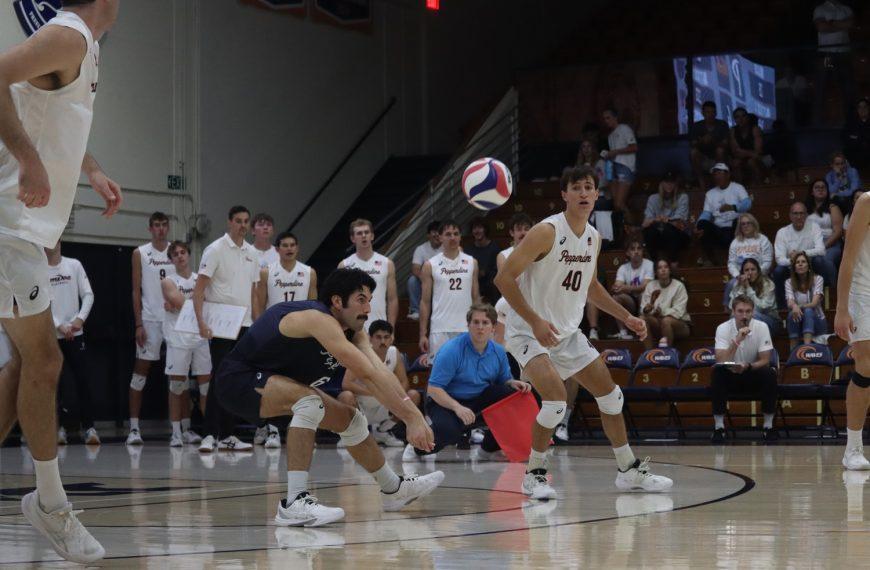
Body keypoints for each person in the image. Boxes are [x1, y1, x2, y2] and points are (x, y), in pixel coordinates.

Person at [0, 0, 122, 563]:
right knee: (44, 361)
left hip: (23, 227)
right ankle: (50, 503)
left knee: (28, 363)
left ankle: (48, 501)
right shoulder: (69, 34)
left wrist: (90, 168)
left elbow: (44, 111)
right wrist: (28, 160)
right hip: (8, 222)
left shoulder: (84, 47)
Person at [214, 268, 444, 525]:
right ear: (337, 301)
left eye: (370, 300)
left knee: (352, 420)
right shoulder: (318, 319)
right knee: (309, 402)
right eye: (361, 299)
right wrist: (412, 418)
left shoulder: (355, 333)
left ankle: (393, 489)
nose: (368, 309)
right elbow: (366, 375)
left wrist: (413, 415)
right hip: (237, 380)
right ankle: (294, 503)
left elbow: (380, 372)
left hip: (280, 385)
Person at [495, 165, 672, 499]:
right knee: (555, 402)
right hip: (528, 332)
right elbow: (503, 279)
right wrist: (534, 321)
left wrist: (626, 317)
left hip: (566, 333)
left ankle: (628, 470)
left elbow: (590, 287)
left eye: (589, 187)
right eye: (576, 188)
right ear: (564, 194)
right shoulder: (546, 231)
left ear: (596, 194)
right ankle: (534, 475)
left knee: (611, 396)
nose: (583, 193)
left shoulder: (593, 237)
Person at [404, 303, 530, 462]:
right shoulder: (452, 350)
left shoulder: (498, 351)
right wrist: (457, 408)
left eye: (485, 323)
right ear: (468, 326)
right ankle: (416, 447)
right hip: (445, 402)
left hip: (478, 400)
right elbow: (434, 389)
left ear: (493, 327)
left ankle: (488, 449)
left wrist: (513, 383)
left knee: (513, 395)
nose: (480, 327)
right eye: (475, 322)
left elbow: (503, 381)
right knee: (449, 432)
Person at [194, 205, 260, 453]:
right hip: (220, 325)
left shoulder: (253, 253)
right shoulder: (215, 250)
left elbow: (254, 293)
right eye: (239, 221)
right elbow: (199, 290)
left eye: (246, 221)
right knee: (219, 377)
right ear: (230, 222)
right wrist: (201, 322)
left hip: (244, 324)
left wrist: (256, 323)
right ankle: (209, 434)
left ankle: (228, 435)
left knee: (236, 380)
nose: (243, 225)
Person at [127, 211, 174, 446]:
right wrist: (138, 323)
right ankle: (134, 428)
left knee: (178, 373)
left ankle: (181, 429)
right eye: (156, 225)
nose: (161, 229)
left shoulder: (178, 250)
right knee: (140, 371)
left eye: (164, 225)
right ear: (150, 229)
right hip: (150, 319)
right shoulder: (140, 253)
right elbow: (136, 290)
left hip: (174, 319)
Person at [46, 242, 97, 446]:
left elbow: (88, 294)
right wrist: (59, 325)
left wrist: (79, 320)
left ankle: (89, 428)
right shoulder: (40, 271)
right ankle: (57, 429)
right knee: (54, 384)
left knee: (83, 380)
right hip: (52, 336)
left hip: (76, 334)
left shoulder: (74, 265)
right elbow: (42, 302)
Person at [339, 319, 420, 447]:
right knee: (345, 396)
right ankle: (351, 435)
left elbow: (404, 382)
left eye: (386, 337)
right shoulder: (361, 354)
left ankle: (383, 431)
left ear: (391, 339)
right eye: (378, 337)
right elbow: (346, 384)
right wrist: (374, 392)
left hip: (385, 404)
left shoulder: (394, 352)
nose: (383, 341)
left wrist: (393, 397)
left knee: (413, 395)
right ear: (370, 339)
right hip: (362, 403)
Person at [833, 192, 870, 470]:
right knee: (866, 365)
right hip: (863, 291)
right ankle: (853, 448)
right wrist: (841, 309)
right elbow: (847, 257)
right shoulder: (867, 202)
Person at [711, 295, 778, 443]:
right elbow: (721, 360)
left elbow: (765, 360)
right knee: (717, 372)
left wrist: (748, 366)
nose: (744, 315)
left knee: (769, 373)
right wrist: (737, 339)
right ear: (733, 312)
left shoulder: (761, 327)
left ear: (753, 312)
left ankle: (768, 426)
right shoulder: (722, 328)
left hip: (751, 372)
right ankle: (719, 427)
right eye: (740, 311)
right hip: (730, 374)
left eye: (748, 311)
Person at [161, 241, 209, 447]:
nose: (180, 256)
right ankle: (176, 432)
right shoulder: (167, 281)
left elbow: (208, 303)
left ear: (189, 255)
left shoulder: (200, 279)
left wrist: (179, 304)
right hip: (177, 337)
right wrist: (181, 303)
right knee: (177, 385)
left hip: (200, 336)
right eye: (175, 254)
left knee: (206, 385)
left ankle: (209, 432)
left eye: (183, 252)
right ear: (171, 259)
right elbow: (184, 304)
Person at [419, 220, 480, 364]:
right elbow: (425, 301)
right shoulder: (430, 265)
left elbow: (475, 297)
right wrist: (423, 334)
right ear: (440, 237)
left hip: (466, 327)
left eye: (456, 234)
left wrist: (479, 324)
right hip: (440, 328)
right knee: (439, 374)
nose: (452, 237)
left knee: (468, 373)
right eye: (448, 234)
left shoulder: (472, 262)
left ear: (460, 237)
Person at [772, 202, 836, 307]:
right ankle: (782, 309)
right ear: (790, 216)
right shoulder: (782, 232)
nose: (799, 217)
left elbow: (821, 250)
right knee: (778, 271)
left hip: (811, 264)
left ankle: (826, 302)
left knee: (821, 261)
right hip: (791, 266)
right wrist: (795, 262)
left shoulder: (814, 227)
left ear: (806, 215)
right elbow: (779, 259)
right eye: (795, 213)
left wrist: (801, 254)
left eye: (802, 213)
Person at [339, 219, 398, 330]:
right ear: (352, 238)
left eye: (366, 232)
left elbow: (392, 299)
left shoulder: (387, 263)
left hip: (379, 328)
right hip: (354, 328)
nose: (364, 236)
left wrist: (391, 328)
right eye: (359, 233)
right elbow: (340, 302)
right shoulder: (344, 265)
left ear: (372, 236)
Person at [696, 163, 751, 266]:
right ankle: (710, 260)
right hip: (719, 230)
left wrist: (732, 207)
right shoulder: (710, 194)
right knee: (702, 224)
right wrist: (698, 225)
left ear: (728, 175)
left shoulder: (737, 187)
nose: (717, 176)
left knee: (740, 221)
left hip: (735, 228)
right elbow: (706, 213)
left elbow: (747, 204)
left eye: (720, 173)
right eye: (715, 174)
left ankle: (741, 259)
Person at [813, 0, 854, 125]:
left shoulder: (846, 8)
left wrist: (830, 23)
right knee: (822, 86)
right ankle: (817, 122)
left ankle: (850, 120)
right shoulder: (820, 9)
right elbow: (821, 27)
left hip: (843, 54)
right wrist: (841, 24)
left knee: (846, 88)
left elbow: (850, 24)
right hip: (826, 54)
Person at [257, 231, 317, 314]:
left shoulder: (310, 272)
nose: (289, 248)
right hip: (274, 321)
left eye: (292, 245)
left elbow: (313, 306)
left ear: (297, 248)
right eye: (285, 245)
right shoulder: (266, 273)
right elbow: (260, 306)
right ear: (277, 249)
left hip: (300, 321)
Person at [723, 213, 774, 306]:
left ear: (754, 224)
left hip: (760, 275)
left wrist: (755, 273)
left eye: (748, 223)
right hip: (741, 276)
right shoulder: (735, 242)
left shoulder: (763, 240)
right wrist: (738, 275)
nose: (746, 226)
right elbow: (731, 263)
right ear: (740, 227)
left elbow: (768, 262)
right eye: (743, 224)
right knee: (730, 284)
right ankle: (729, 310)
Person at [608, 240, 654, 340]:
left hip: (646, 300)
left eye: (639, 248)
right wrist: (620, 288)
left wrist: (625, 288)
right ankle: (623, 332)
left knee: (643, 294)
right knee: (616, 298)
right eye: (633, 249)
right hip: (631, 302)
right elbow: (616, 287)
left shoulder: (649, 264)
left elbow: (645, 286)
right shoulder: (623, 268)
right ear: (627, 253)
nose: (636, 251)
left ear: (643, 251)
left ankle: (643, 327)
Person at [639, 260, 691, 349]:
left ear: (670, 270)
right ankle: (648, 353)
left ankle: (666, 355)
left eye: (666, 267)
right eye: (660, 268)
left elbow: (679, 312)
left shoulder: (679, 286)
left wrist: (661, 311)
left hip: (680, 324)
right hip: (657, 322)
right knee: (642, 319)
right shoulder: (650, 286)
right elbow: (643, 309)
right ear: (656, 272)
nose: (663, 270)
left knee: (666, 321)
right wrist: (648, 309)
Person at [641, 173, 690, 264]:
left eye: (672, 182)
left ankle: (674, 262)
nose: (669, 185)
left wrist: (666, 220)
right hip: (659, 234)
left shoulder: (683, 197)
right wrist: (657, 220)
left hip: (678, 236)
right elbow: (645, 223)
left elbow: (680, 224)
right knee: (649, 231)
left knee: (669, 229)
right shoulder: (653, 198)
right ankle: (654, 263)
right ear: (661, 183)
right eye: (666, 182)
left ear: (676, 184)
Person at [785, 252, 828, 349]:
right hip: (798, 321)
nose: (800, 264)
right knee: (792, 313)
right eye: (797, 262)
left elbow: (814, 303)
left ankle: (806, 347)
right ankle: (793, 349)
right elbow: (790, 302)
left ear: (808, 266)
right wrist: (794, 306)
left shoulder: (818, 279)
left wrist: (798, 306)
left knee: (808, 311)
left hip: (818, 323)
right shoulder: (789, 282)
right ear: (794, 268)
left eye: (803, 262)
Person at [601, 108, 638, 222]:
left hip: (625, 167)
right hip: (614, 167)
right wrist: (608, 155)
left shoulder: (624, 129)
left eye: (608, 118)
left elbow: (634, 147)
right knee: (615, 204)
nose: (606, 121)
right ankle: (624, 228)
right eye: (604, 119)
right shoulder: (610, 136)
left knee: (619, 203)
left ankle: (633, 228)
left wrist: (615, 152)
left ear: (615, 117)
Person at [729, 258, 780, 336]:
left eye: (753, 269)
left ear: (758, 271)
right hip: (746, 319)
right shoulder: (737, 285)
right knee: (734, 317)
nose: (750, 273)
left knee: (753, 315)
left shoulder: (768, 284)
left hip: (770, 320)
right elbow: (732, 307)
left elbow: (762, 308)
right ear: (742, 273)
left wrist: (748, 288)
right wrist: (742, 287)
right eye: (746, 270)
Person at [688, 101, 730, 190]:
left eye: (713, 112)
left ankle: (719, 180)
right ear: (703, 113)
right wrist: (703, 141)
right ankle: (701, 181)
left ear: (716, 113)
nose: (711, 115)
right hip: (703, 158)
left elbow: (726, 143)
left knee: (720, 151)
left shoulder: (722, 124)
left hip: (719, 158)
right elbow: (693, 144)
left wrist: (712, 140)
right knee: (693, 152)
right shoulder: (697, 126)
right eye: (708, 112)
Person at [805, 178, 845, 268]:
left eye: (823, 187)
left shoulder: (833, 207)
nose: (820, 189)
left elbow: (838, 232)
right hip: (811, 244)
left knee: (824, 260)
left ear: (827, 191)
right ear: (812, 192)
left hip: (831, 244)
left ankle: (833, 282)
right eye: (817, 187)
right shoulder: (805, 208)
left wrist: (822, 246)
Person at [407, 221, 441, 320]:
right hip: (426, 280)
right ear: (428, 235)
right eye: (434, 231)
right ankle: (416, 310)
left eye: (439, 231)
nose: (437, 234)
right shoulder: (421, 249)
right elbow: (415, 268)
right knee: (412, 280)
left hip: (443, 279)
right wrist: (426, 279)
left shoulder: (447, 248)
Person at [464, 217, 500, 303]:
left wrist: (484, 273)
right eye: (474, 228)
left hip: (492, 291)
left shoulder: (494, 248)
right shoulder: (468, 250)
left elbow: (497, 271)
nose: (477, 231)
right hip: (473, 289)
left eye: (480, 227)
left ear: (485, 229)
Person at [728, 108, 764, 185]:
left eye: (743, 116)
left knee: (751, 162)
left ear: (747, 117)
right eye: (737, 117)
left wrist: (744, 152)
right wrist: (749, 153)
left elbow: (758, 152)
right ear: (734, 119)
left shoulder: (755, 129)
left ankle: (759, 188)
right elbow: (736, 152)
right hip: (741, 158)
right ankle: (740, 191)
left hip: (758, 158)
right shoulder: (733, 131)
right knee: (736, 163)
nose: (740, 119)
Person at [843, 98, 870, 170]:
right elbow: (847, 143)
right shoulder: (850, 125)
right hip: (855, 163)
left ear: (868, 108)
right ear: (857, 110)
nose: (862, 109)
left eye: (865, 107)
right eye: (860, 107)